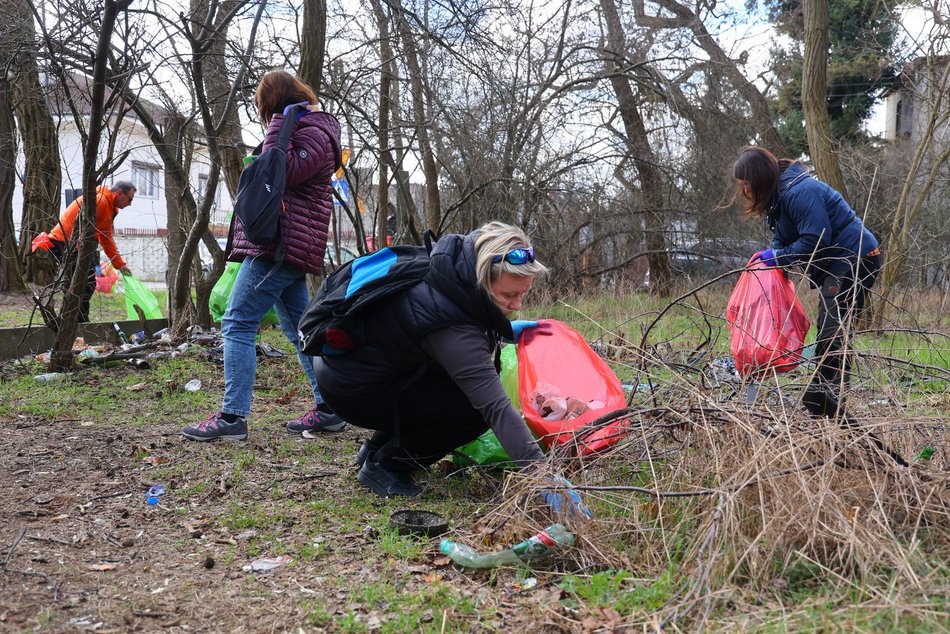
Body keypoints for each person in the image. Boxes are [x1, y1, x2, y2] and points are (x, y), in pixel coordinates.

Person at [314, 221, 589, 511]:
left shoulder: (452, 270)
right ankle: (386, 464)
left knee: (449, 380)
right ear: (483, 278)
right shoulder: (448, 322)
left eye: (523, 294)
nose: (518, 304)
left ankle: (374, 448)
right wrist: (543, 477)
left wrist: (504, 330)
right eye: (509, 295)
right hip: (352, 388)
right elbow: (495, 408)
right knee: (473, 411)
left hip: (354, 369)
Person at [182, 70, 346, 442]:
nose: (262, 114)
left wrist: (279, 124)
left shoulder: (312, 133)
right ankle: (330, 408)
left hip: (280, 246)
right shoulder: (300, 129)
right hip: (285, 243)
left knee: (237, 322)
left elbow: (282, 171)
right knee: (299, 331)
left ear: (273, 104)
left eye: (264, 107)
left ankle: (232, 418)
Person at [732, 146, 882, 420]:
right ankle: (823, 399)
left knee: (833, 326)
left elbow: (815, 241)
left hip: (856, 256)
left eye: (746, 183)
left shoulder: (800, 192)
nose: (744, 190)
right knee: (831, 324)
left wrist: (778, 257)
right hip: (839, 261)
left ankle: (826, 398)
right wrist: (773, 261)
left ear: (760, 178)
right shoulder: (778, 200)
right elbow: (783, 238)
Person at [46, 182, 135, 322]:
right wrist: (80, 244)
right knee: (81, 284)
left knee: (84, 284)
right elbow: (94, 233)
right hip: (64, 242)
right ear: (119, 193)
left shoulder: (106, 204)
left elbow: (105, 238)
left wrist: (120, 265)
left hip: (71, 244)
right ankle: (74, 323)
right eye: (129, 199)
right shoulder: (100, 202)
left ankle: (75, 322)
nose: (130, 204)